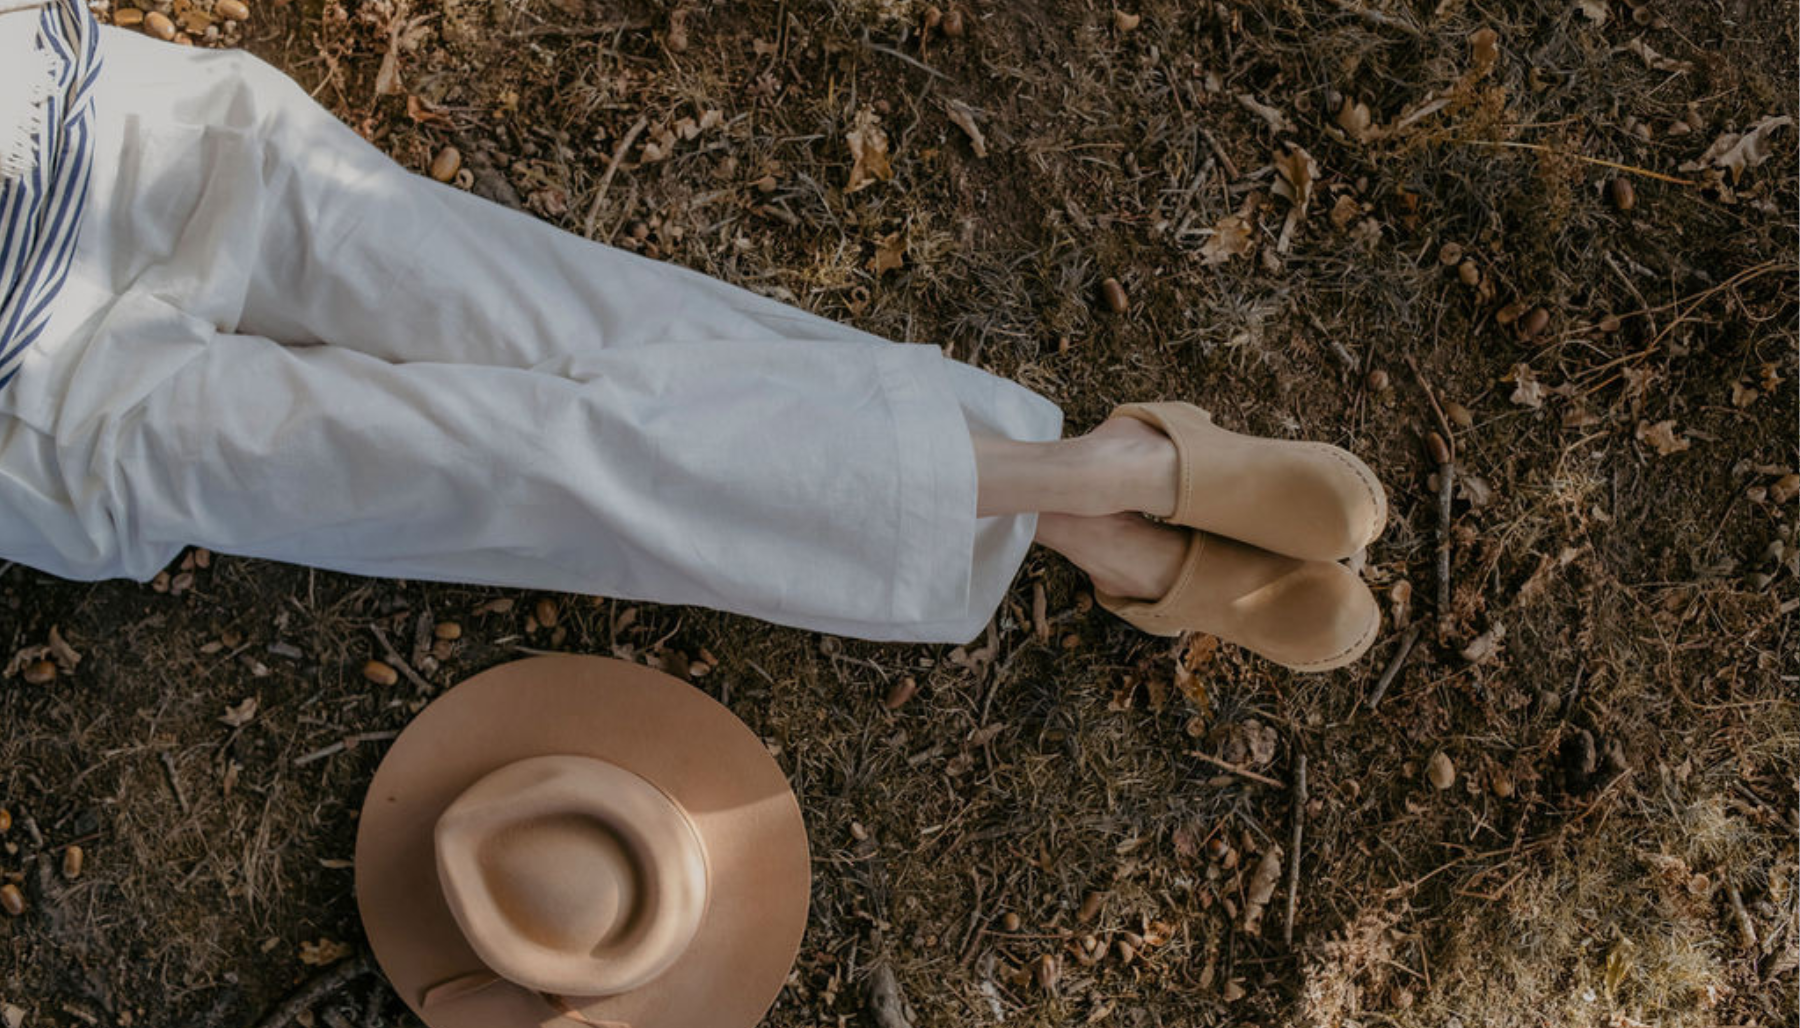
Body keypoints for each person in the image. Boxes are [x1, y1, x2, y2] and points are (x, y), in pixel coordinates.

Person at [0, 0, 1387, 670]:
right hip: (52, 400)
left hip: (111, 139)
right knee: (537, 458)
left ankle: (1084, 491)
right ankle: (1073, 484)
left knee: (594, 330)